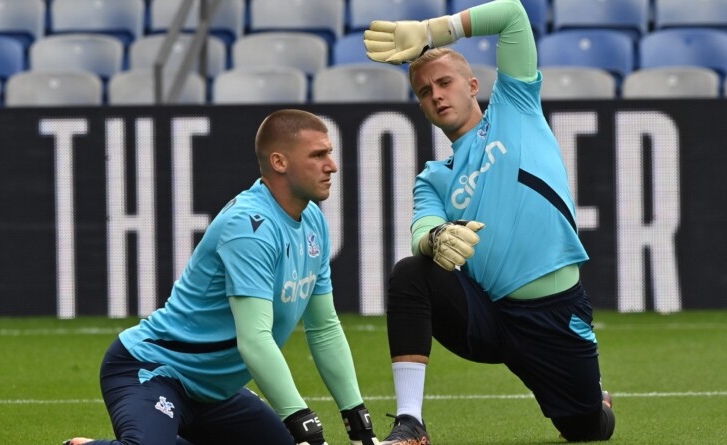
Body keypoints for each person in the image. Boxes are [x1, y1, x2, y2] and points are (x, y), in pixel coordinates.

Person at [363, 0, 616, 443]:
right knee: (410, 273)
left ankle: (597, 401)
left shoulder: (515, 107)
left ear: (473, 85)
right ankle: (410, 423)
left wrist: (429, 31)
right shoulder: (433, 177)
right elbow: (421, 230)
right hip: (488, 317)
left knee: (587, 430)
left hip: (554, 312)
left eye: (444, 82)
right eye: (424, 91)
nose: (436, 94)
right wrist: (435, 238)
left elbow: (513, 14)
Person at [64, 109, 380, 445]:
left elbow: (324, 327)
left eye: (329, 153)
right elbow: (255, 340)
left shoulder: (313, 221)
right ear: (279, 162)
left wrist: (358, 422)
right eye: (318, 155)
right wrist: (304, 424)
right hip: (155, 369)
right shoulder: (250, 226)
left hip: (215, 392)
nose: (332, 165)